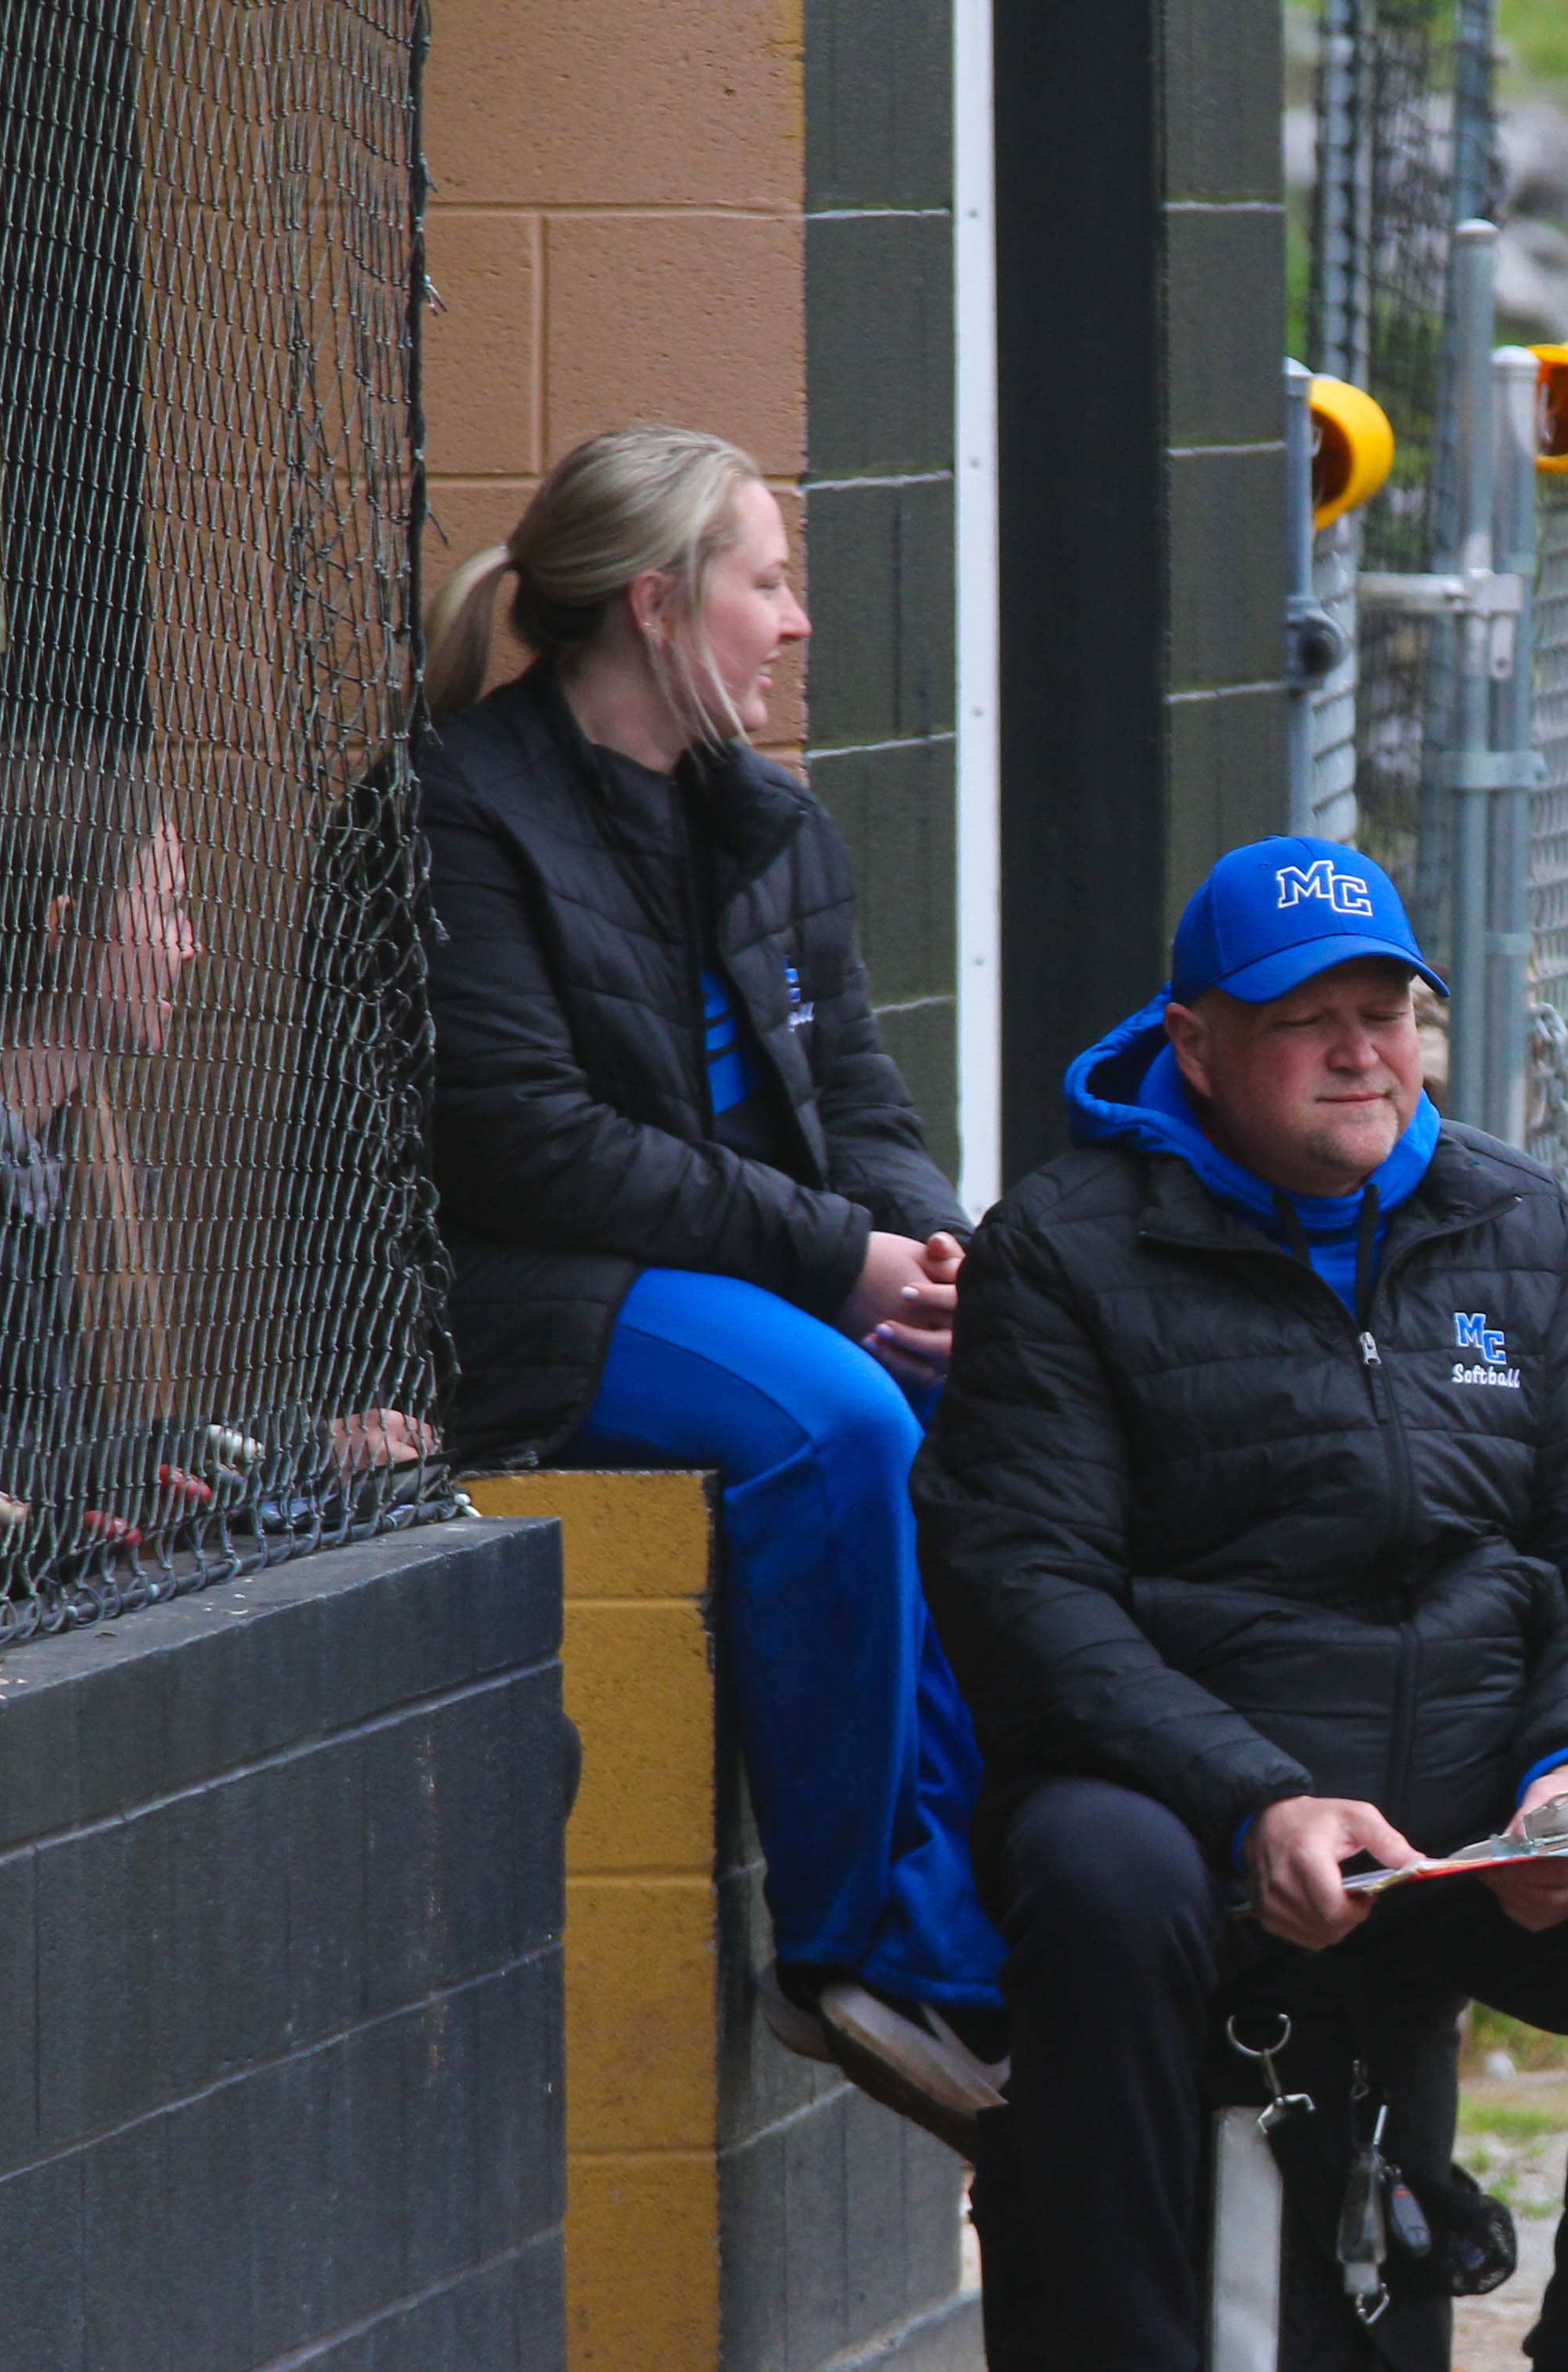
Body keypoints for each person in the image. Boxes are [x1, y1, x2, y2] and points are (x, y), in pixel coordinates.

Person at [913, 837, 1568, 2372]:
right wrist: (1253, 1798)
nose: (1359, 1053)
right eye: (1303, 1021)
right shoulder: (1065, 1249)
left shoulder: (1509, 1219)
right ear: (1194, 1045)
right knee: (1095, 1881)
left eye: (1387, 1013)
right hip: (1185, 1797)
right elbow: (1027, 1600)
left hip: (1473, 1800)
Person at [419, 422, 1003, 2141]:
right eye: (768, 581)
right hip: (536, 1294)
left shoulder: (769, 822)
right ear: (659, 604)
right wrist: (839, 1259)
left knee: (1003, 1397)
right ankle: (846, 1951)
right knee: (839, 1426)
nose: (797, 621)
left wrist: (930, 1249)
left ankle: (975, 1932)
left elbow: (863, 1103)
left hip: (745, 1264)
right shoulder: (457, 805)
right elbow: (528, 1145)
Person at [0, 746, 429, 1604]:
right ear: (66, 929)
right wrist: (293, 1449)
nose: (192, 944)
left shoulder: (20, 1133)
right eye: (168, 908)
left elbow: (42, 1470)